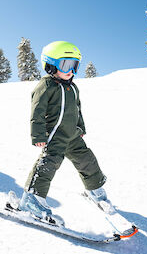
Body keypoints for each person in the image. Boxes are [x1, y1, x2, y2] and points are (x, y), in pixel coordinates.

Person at [19, 41, 108, 223]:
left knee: (87, 160)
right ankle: (32, 199)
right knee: (49, 164)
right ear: (51, 65)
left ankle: (95, 190)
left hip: (73, 134)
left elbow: (77, 109)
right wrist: (38, 135)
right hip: (55, 135)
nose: (71, 71)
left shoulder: (73, 87)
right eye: (66, 65)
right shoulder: (46, 85)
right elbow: (37, 110)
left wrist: (81, 127)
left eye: (75, 66)